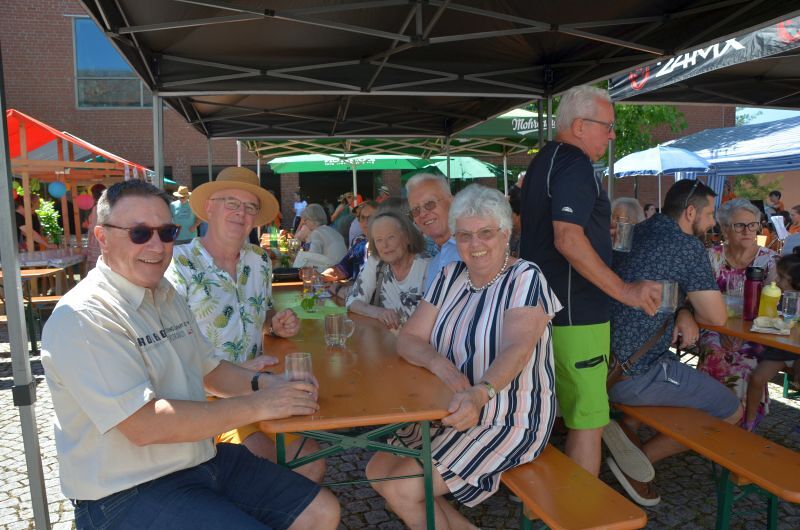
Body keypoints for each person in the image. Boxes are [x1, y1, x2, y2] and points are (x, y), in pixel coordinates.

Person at [41, 179, 339, 529]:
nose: (156, 245)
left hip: (199, 460)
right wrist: (261, 404)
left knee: (322, 511)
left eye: (166, 233)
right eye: (140, 233)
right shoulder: (84, 315)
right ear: (102, 237)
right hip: (125, 492)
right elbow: (144, 425)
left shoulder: (164, 293)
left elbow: (208, 369)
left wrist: (268, 384)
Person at [365, 185, 559, 529]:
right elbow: (409, 338)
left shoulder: (525, 277)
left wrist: (480, 392)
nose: (475, 243)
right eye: (465, 235)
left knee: (402, 488)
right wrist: (440, 365)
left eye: (486, 233)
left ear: (505, 234)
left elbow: (516, 348)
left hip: (507, 416)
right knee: (378, 471)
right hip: (446, 408)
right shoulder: (450, 275)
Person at [519, 85, 660, 476]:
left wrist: (597, 231)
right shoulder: (576, 164)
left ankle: (542, 501)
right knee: (588, 421)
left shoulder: (543, 160)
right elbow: (566, 238)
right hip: (577, 315)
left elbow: (552, 231)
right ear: (580, 126)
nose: (612, 135)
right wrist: (625, 290)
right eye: (607, 126)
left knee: (545, 414)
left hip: (538, 310)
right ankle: (581, 507)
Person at [166, 166, 325, 482]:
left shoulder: (259, 260)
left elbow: (259, 314)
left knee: (311, 463)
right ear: (209, 207)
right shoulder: (178, 263)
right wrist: (237, 373)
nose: (241, 213)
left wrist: (275, 324)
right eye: (232, 203)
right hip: (204, 398)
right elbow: (173, 349)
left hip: (259, 387)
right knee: (263, 467)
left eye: (250, 207)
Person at [605, 179, 741, 507]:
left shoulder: (636, 231)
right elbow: (717, 317)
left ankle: (627, 431)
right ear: (690, 212)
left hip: (603, 365)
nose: (713, 223)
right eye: (710, 214)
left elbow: (653, 283)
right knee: (731, 410)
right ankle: (638, 463)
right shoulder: (686, 246)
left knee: (679, 376)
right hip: (637, 373)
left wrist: (682, 310)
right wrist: (690, 311)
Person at [697, 198, 778, 425]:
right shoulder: (711, 257)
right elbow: (698, 299)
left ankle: (743, 423)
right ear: (724, 229)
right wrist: (722, 329)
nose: (747, 230)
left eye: (752, 224)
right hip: (714, 326)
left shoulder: (770, 261)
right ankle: (708, 418)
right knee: (714, 350)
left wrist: (741, 333)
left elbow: (771, 308)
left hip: (755, 331)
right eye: (739, 225)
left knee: (748, 359)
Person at [743, 250, 800, 431]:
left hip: (795, 349)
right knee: (757, 378)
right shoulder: (779, 295)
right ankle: (750, 421)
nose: (777, 281)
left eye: (782, 277)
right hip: (782, 349)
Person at [346, 212, 429, 329]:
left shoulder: (427, 268)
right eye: (379, 240)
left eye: (391, 237)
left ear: (407, 238)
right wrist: (378, 312)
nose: (385, 245)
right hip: (386, 337)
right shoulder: (377, 262)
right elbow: (353, 301)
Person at [406, 173, 460, 292]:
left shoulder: (473, 248)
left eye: (429, 204)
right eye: (415, 210)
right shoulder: (434, 263)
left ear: (451, 202)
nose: (422, 214)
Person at [321, 200, 377, 285]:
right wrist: (319, 276)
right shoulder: (359, 244)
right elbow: (341, 269)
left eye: (370, 217)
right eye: (362, 217)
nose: (365, 222)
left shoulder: (386, 247)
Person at [85, 184, 107, 271]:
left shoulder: (97, 207)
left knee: (96, 264)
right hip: (106, 238)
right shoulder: (109, 206)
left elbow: (94, 226)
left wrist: (87, 225)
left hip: (96, 239)